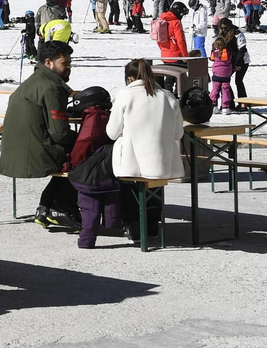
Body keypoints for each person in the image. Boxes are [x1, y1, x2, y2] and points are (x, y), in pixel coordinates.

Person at [0, 39, 78, 230]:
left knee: (77, 154)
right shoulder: (51, 88)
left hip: (15, 153)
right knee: (86, 157)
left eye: (70, 63)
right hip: (35, 155)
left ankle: (47, 207)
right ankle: (61, 207)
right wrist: (81, 140)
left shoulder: (32, 82)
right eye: (64, 63)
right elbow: (59, 133)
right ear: (48, 63)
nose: (69, 67)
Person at [108, 58, 185, 242]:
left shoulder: (125, 95)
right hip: (161, 163)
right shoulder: (167, 96)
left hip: (130, 163)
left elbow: (111, 132)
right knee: (154, 182)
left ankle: (132, 224)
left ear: (129, 78)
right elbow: (178, 133)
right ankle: (152, 223)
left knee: (124, 182)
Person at [64, 86, 119, 249]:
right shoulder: (105, 116)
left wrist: (70, 164)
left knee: (89, 203)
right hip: (109, 166)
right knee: (109, 196)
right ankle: (113, 225)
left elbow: (84, 145)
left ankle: (86, 240)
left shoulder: (94, 118)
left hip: (91, 170)